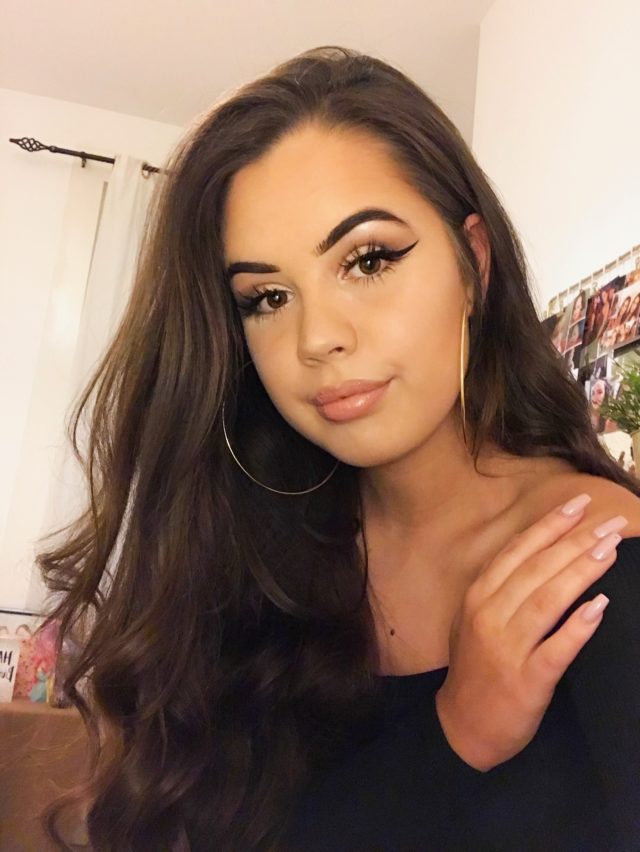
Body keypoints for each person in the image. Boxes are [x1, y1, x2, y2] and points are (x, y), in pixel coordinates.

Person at [35, 46, 640, 851]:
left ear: (473, 265)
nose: (317, 337)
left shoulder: (597, 563)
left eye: (368, 259)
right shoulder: (248, 557)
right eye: (267, 297)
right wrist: (454, 738)